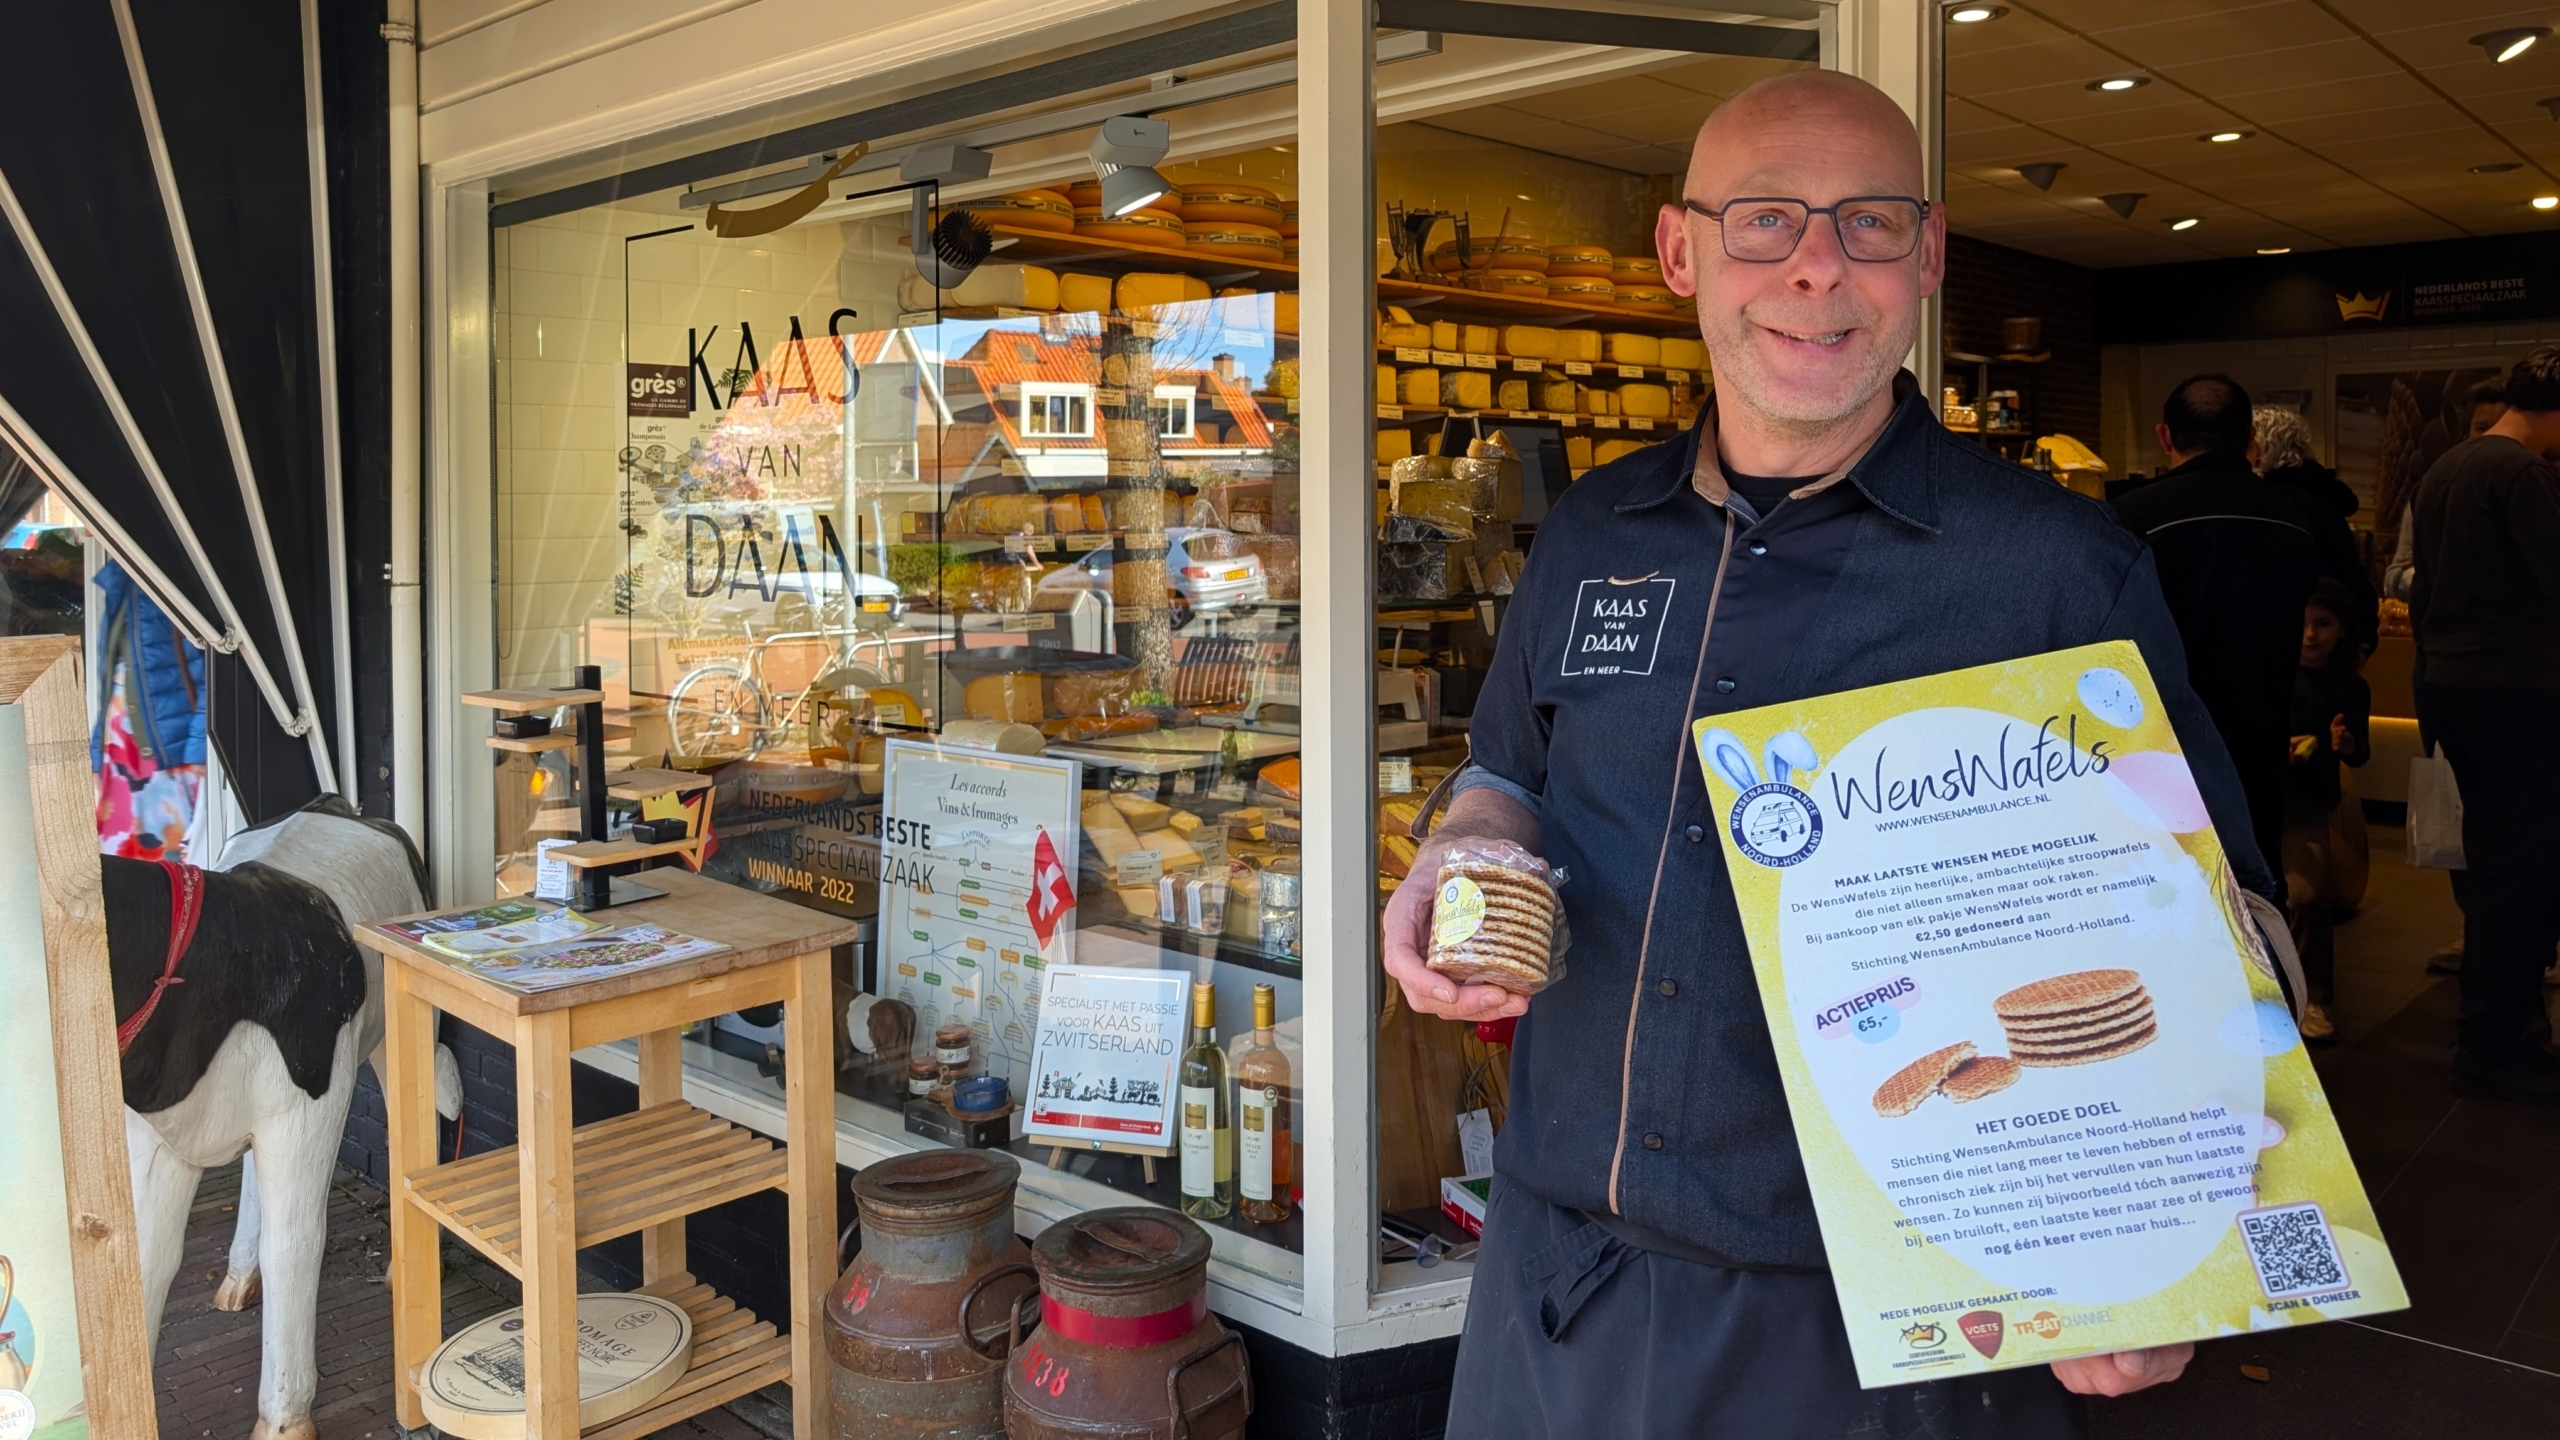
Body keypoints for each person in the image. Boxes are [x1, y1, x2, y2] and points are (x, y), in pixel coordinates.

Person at [1383, 71, 2275, 1439]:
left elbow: (2222, 927)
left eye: (1867, 221)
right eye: (1764, 220)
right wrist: (1462, 845)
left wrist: (2166, 1245)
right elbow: (1508, 771)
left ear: (1927, 255)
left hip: (1900, 1329)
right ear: (1681, 252)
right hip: (1561, 1286)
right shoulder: (1593, 533)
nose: (1815, 266)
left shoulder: (2053, 570)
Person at [2114, 376, 2351, 875]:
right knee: (2254, 874)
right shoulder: (2294, 519)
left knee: (2166, 876)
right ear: (2249, 439)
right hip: (2263, 732)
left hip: (2157, 735)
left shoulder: (2131, 517)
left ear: (2165, 436)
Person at [2409, 347, 2560, 1103]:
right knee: (2521, 873)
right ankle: (2499, 1043)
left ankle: (2496, 1034)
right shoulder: (2522, 474)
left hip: (2453, 686)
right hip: (2518, 691)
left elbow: (2423, 588)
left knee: (2491, 867)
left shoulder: (2445, 469)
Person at [2283, 580, 2371, 1043]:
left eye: (2323, 623)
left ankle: (2315, 998)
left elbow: (2360, 754)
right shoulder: (2267, 675)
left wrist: (2347, 743)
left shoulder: (2350, 688)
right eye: (2303, 623)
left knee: (2307, 897)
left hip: (2308, 805)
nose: (2311, 635)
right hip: (2258, 801)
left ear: (2341, 630)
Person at [2384, 379, 2503, 603]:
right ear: (2467, 433)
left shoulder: (2531, 488)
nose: (2492, 438)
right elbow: (2394, 578)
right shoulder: (2436, 491)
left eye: (2501, 428)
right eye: (2482, 428)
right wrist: (2421, 575)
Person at [2255, 404, 2359, 520]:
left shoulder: (2281, 485)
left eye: (2252, 445)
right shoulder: (2313, 474)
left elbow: (2348, 503)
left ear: (2268, 445)